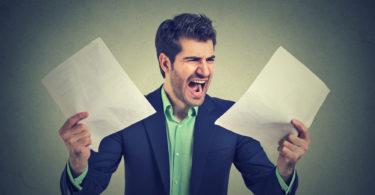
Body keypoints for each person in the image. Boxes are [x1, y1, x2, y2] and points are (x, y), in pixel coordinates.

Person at [59, 13, 310, 195]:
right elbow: (89, 188)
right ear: (166, 63)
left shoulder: (232, 117)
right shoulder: (129, 114)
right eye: (193, 60)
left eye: (210, 59)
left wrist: (286, 167)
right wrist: (78, 162)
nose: (205, 70)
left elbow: (268, 189)